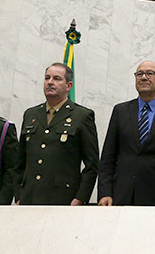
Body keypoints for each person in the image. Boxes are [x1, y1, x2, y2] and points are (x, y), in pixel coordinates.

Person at [98, 60, 155, 206]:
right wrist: (105, 193)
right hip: (122, 195)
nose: (143, 77)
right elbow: (108, 157)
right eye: (139, 74)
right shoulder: (120, 111)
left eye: (150, 73)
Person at [16, 63, 99, 205]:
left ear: (69, 86)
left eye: (57, 78)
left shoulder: (82, 115)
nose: (50, 82)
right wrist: (18, 195)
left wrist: (80, 198)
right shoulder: (31, 114)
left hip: (63, 198)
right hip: (29, 197)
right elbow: (19, 162)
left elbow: (92, 164)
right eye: (47, 78)